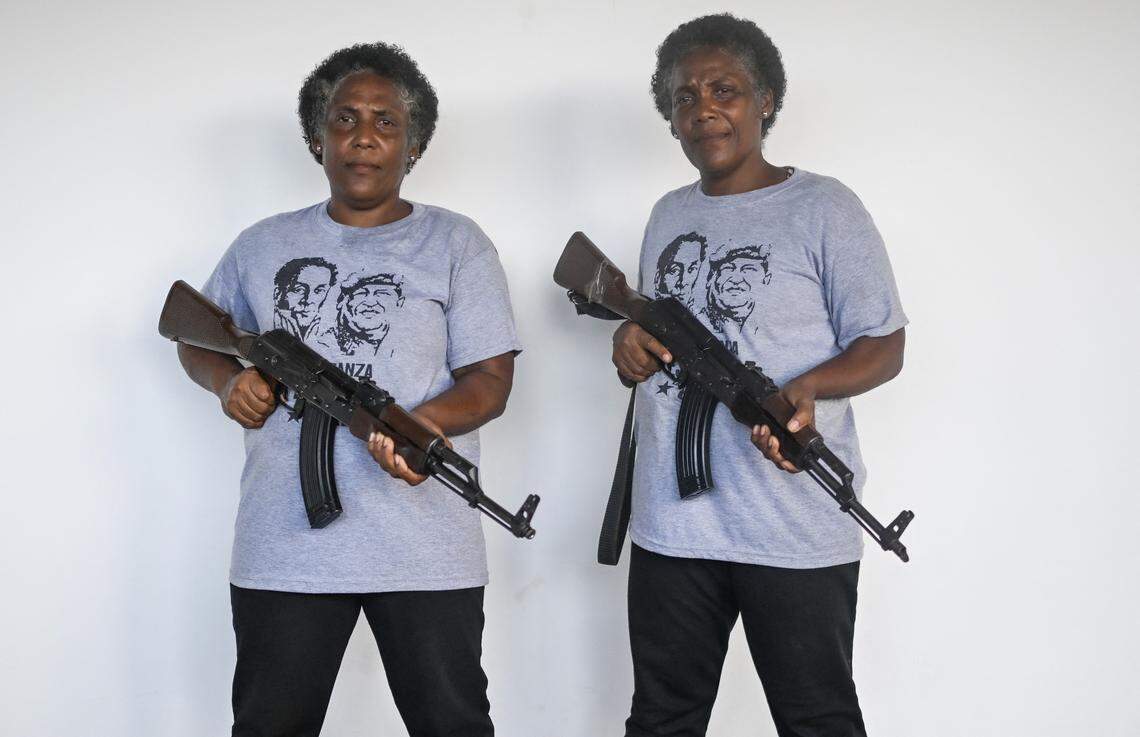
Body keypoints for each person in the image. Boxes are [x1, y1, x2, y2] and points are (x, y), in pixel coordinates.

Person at [174, 42, 519, 737]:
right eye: (345, 118)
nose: (364, 136)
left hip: (427, 552)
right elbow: (193, 337)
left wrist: (416, 427)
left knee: (453, 723)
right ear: (316, 136)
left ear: (414, 144)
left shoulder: (457, 243)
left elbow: (490, 382)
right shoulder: (261, 244)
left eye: (387, 122)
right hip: (284, 550)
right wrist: (228, 381)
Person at [610, 14, 907, 737]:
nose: (704, 108)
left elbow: (886, 343)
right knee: (661, 719)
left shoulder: (825, 207)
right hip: (671, 527)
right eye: (684, 97)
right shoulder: (668, 213)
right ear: (671, 118)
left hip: (793, 524)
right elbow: (649, 334)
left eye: (725, 89)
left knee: (817, 718)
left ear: (765, 99)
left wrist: (807, 388)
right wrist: (627, 340)